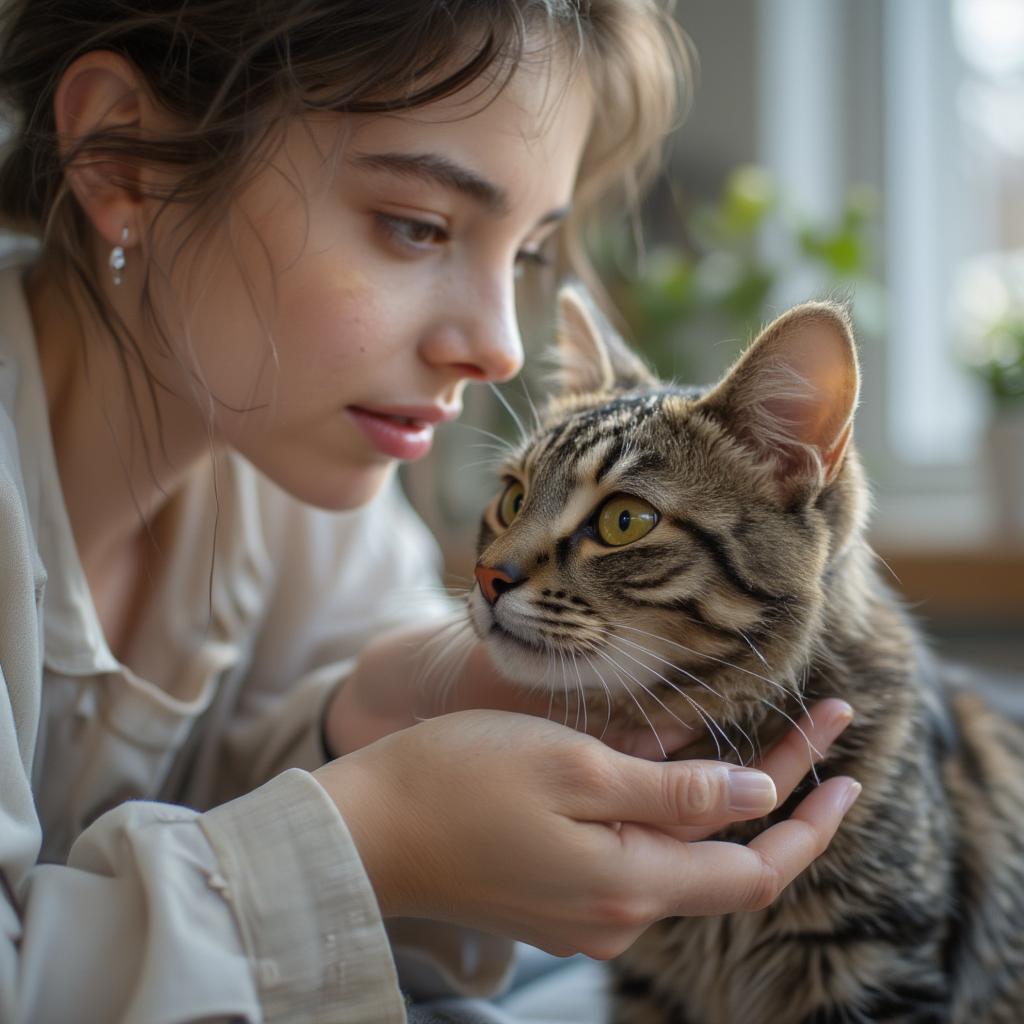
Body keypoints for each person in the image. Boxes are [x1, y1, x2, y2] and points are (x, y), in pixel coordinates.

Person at [0, 2, 861, 1021]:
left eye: (529, 253)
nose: (499, 347)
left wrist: (358, 714)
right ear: (123, 158)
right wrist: (379, 833)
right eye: (416, 226)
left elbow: (232, 782)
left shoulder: (303, 471)